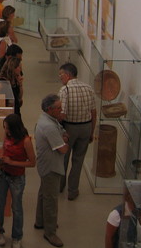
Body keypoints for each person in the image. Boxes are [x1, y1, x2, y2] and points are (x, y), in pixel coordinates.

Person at [0, 114, 36, 248]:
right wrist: (1, 160)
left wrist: (12, 162)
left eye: (7, 128)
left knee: (16, 208)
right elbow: (3, 149)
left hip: (17, 178)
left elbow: (32, 163)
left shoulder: (26, 141)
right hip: (3, 174)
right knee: (0, 204)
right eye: (5, 128)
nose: (5, 130)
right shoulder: (7, 135)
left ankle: (17, 237)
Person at [34, 94, 69, 247]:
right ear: (50, 109)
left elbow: (62, 135)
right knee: (51, 200)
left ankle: (40, 221)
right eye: (59, 108)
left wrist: (63, 138)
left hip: (45, 165)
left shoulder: (47, 120)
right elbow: (62, 149)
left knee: (44, 193)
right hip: (51, 167)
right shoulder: (49, 126)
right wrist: (65, 142)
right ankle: (50, 232)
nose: (62, 111)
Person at [57, 62, 95, 201]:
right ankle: (73, 191)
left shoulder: (64, 90)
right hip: (85, 127)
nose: (60, 77)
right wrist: (92, 130)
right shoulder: (89, 88)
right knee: (78, 161)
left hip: (69, 128)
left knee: (63, 159)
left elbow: (63, 113)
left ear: (67, 75)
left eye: (61, 75)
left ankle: (60, 186)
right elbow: (93, 112)